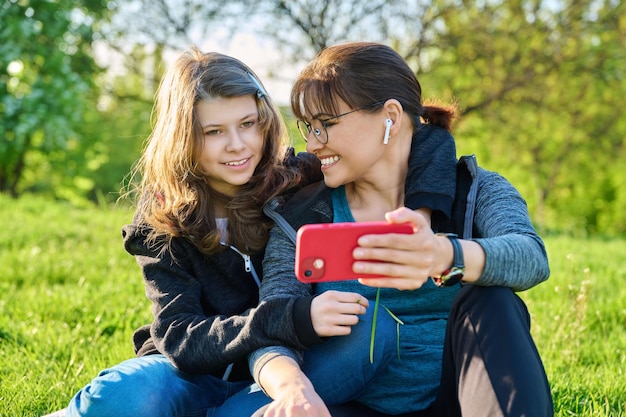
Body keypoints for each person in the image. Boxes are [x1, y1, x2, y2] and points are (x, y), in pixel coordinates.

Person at [52, 46, 458, 417]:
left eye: (248, 124)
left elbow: (424, 138)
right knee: (126, 398)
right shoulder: (161, 218)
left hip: (290, 367)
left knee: (367, 331)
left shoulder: (294, 177)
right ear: (183, 139)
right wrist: (290, 318)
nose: (237, 145)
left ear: (264, 122)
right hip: (190, 373)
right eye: (213, 132)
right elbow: (179, 337)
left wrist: (420, 213)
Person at [215, 41, 554, 417]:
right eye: (309, 127)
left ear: (390, 116)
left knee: (493, 300)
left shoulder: (475, 190)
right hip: (352, 404)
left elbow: (531, 257)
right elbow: (274, 324)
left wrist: (445, 255)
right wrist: (293, 390)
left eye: (326, 124)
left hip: (459, 401)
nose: (313, 143)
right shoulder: (303, 215)